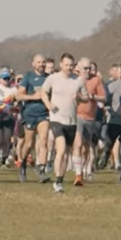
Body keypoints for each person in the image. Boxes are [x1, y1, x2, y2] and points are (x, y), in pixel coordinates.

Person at [41, 54, 83, 193]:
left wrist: (80, 97)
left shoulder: (78, 80)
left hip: (71, 121)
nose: (69, 67)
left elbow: (87, 98)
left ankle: (60, 179)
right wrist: (48, 104)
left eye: (71, 65)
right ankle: (57, 182)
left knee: (66, 154)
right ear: (61, 65)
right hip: (56, 118)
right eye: (66, 65)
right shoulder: (53, 78)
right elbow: (43, 92)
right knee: (61, 149)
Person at [16, 54, 51, 182]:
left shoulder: (49, 78)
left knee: (44, 141)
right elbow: (19, 96)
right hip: (30, 114)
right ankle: (23, 164)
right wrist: (33, 97)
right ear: (33, 64)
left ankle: (41, 170)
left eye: (43, 62)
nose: (41, 64)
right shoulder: (28, 77)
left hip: (44, 114)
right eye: (39, 62)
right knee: (29, 143)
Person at [72, 57, 106, 184]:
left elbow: (103, 98)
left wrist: (93, 96)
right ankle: (78, 175)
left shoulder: (96, 80)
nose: (88, 70)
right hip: (77, 115)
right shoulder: (74, 80)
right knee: (78, 144)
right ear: (78, 68)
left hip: (91, 118)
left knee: (86, 148)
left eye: (89, 68)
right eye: (85, 68)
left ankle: (84, 170)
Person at [103, 65, 121, 182]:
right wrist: (107, 107)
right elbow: (105, 96)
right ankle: (105, 156)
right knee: (110, 143)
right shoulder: (115, 85)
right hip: (114, 120)